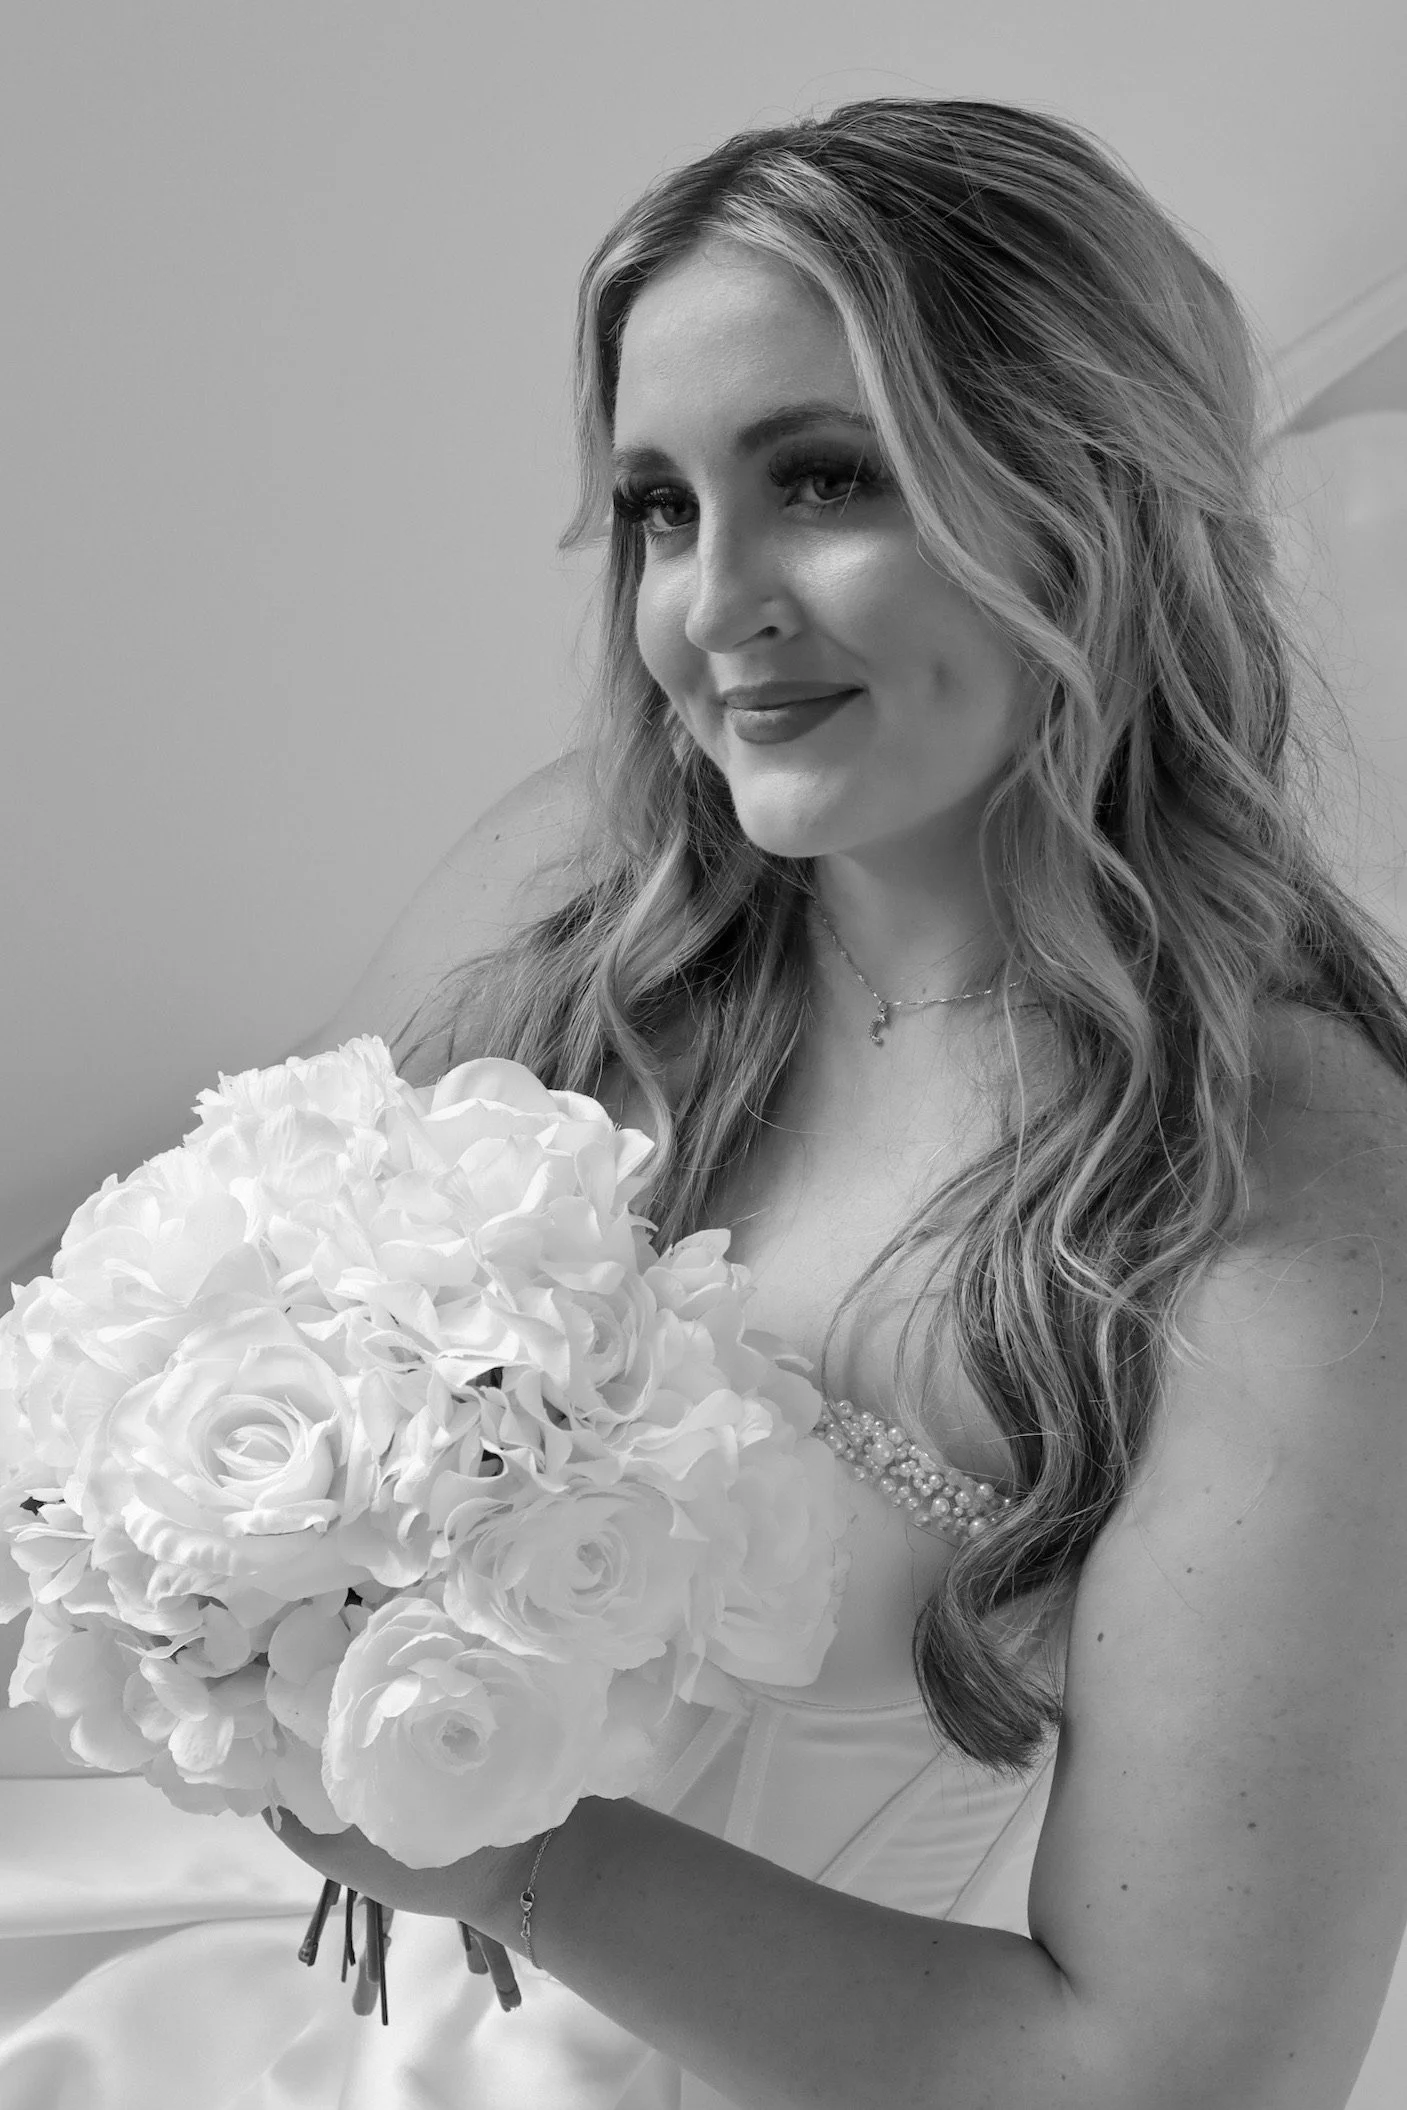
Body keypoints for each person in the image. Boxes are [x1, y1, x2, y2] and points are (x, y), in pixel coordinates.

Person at [4, 95, 1406, 2110]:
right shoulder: (636, 990)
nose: (711, 602)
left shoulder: (1281, 1197)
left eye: (823, 479)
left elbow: (1174, 2072)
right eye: (660, 508)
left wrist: (507, 1846)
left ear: (1088, 494)